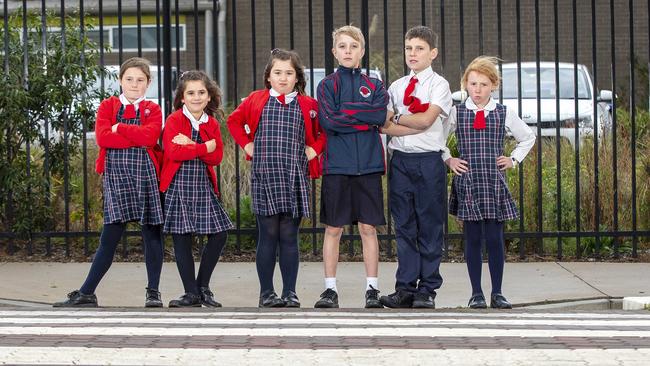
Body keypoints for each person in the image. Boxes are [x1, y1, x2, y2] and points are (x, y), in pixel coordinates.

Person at [54, 57, 164, 308]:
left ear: (148, 83)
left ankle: (153, 292)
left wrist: (119, 128)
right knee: (109, 237)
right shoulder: (108, 106)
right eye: (129, 79)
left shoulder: (153, 110)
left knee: (152, 234)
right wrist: (128, 134)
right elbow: (103, 139)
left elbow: (150, 137)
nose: (134, 85)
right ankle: (87, 292)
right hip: (116, 177)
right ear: (120, 80)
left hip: (144, 175)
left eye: (140, 80)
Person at [227, 49, 325, 308]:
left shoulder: (308, 105)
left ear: (297, 78)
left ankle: (290, 292)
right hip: (264, 174)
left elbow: (325, 132)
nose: (283, 78)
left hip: (293, 175)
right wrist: (247, 144)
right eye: (277, 73)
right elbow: (233, 122)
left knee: (289, 236)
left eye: (289, 73)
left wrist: (314, 149)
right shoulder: (256, 100)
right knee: (268, 235)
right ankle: (267, 293)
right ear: (268, 77)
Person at [443, 56, 536, 309]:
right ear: (466, 85)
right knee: (472, 239)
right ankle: (476, 294)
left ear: (493, 85)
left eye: (483, 84)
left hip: (493, 183)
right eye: (473, 84)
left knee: (495, 239)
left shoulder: (503, 113)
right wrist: (449, 159)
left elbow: (528, 137)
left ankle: (497, 293)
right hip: (469, 182)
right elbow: (437, 139)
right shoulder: (457, 113)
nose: (478, 90)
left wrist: (513, 159)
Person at [314, 25, 389, 309]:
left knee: (368, 229)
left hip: (368, 166)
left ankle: (372, 288)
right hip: (337, 167)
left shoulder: (375, 85)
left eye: (353, 46)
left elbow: (379, 114)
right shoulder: (327, 85)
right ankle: (330, 290)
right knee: (334, 229)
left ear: (362, 51)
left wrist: (348, 112)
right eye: (342, 46)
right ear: (335, 52)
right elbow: (329, 121)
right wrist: (363, 117)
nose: (348, 51)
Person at [380, 26, 452, 309]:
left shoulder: (439, 85)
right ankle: (405, 287)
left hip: (428, 162)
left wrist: (399, 118)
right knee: (404, 226)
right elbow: (385, 126)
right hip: (401, 162)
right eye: (409, 48)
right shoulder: (396, 87)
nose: (413, 53)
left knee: (430, 225)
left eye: (419, 48)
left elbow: (427, 121)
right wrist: (408, 122)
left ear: (432, 53)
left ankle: (428, 289)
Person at [160, 70, 233, 307]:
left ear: (209, 96)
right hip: (178, 184)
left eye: (201, 92)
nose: (196, 97)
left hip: (202, 185)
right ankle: (190, 293)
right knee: (182, 237)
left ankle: (202, 286)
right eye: (190, 93)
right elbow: (173, 153)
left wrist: (191, 144)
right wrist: (204, 147)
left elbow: (217, 157)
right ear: (182, 97)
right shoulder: (174, 121)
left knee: (219, 234)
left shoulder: (210, 123)